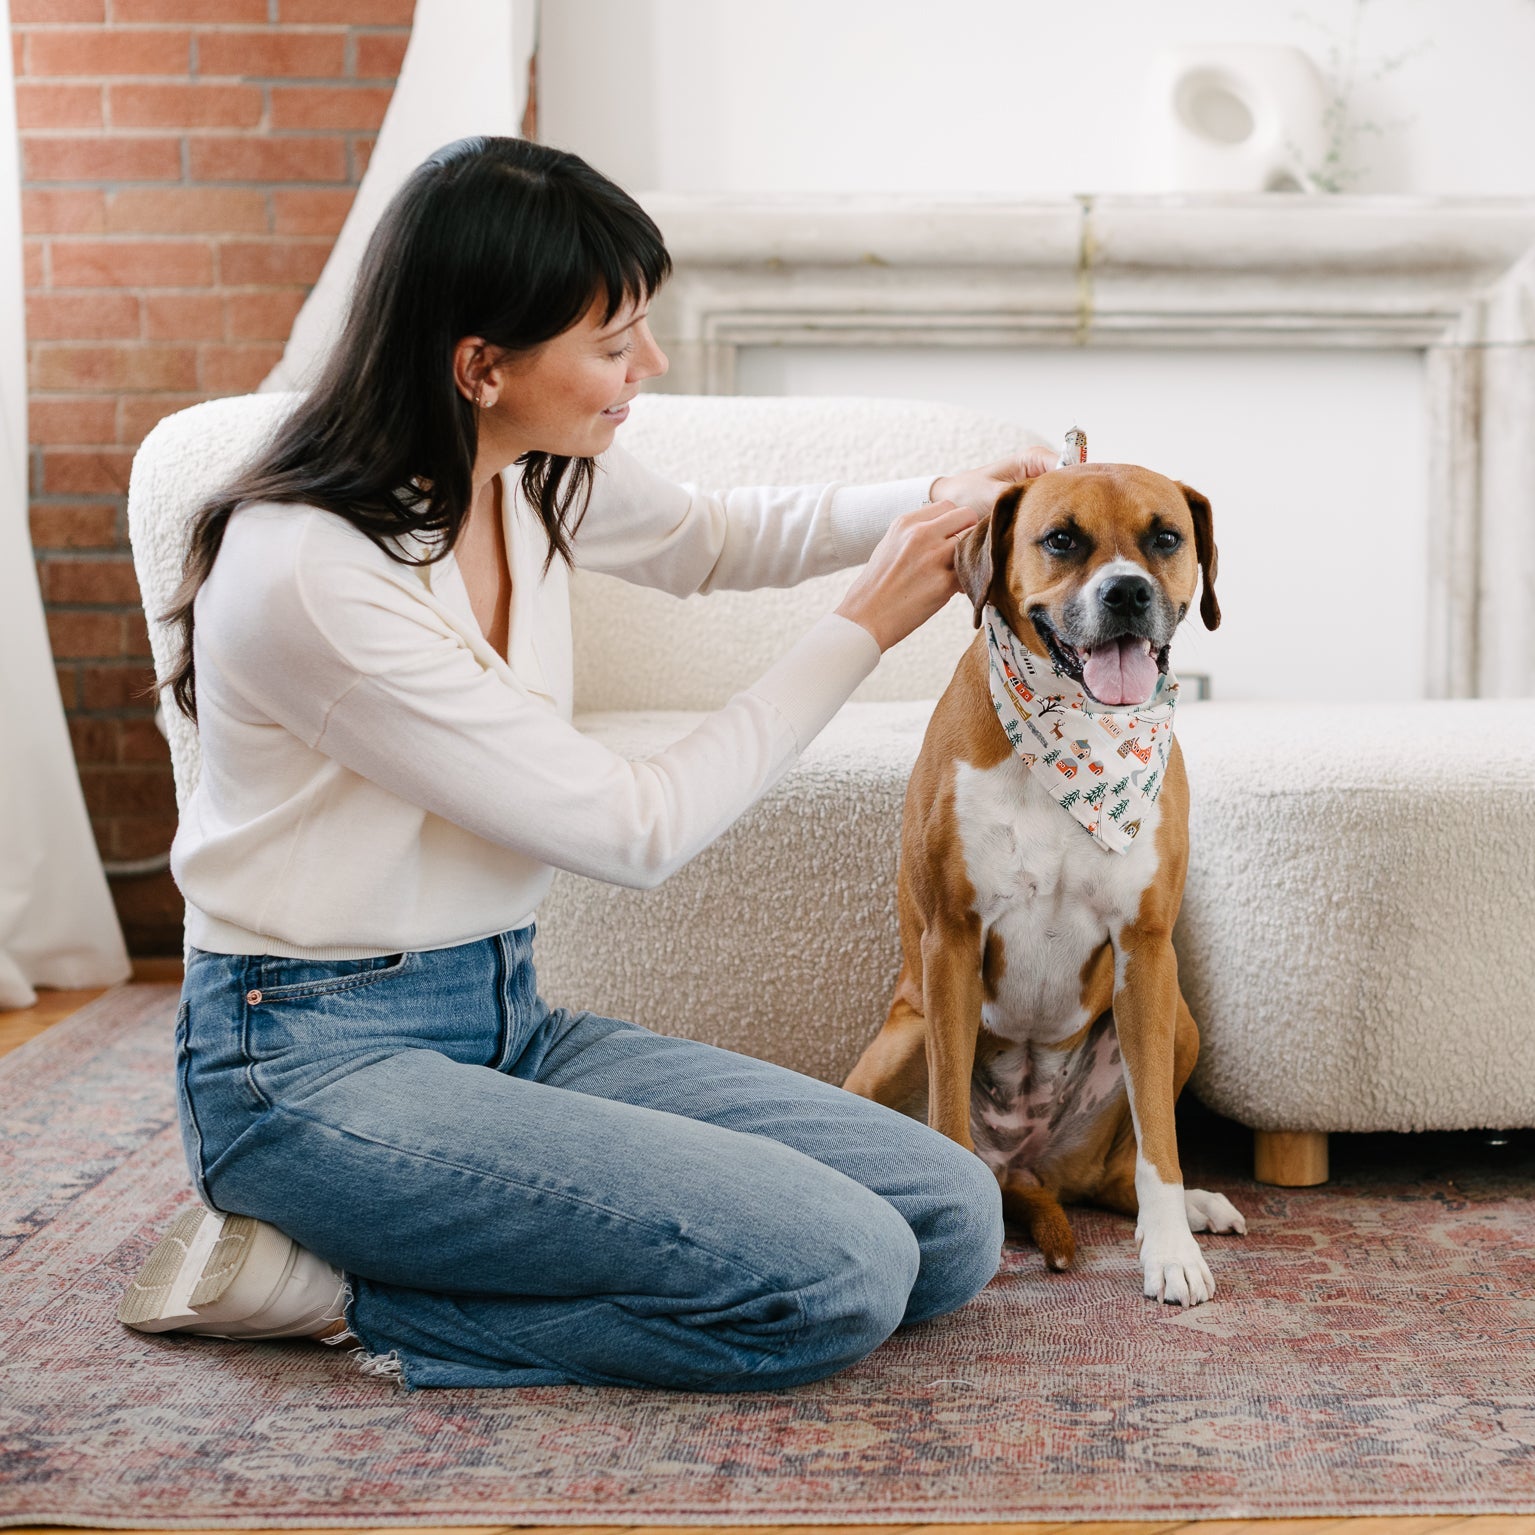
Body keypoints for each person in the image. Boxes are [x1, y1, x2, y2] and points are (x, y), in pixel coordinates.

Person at [120, 136, 1057, 1392]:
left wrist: (941, 495)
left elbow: (711, 538)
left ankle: (432, 1243)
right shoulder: (311, 574)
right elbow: (633, 827)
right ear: (482, 367)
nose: (648, 364)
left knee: (947, 1217)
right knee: (837, 1275)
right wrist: (863, 624)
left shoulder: (521, 470)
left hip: (504, 1015)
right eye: (614, 342)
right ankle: (341, 1291)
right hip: (307, 1061)